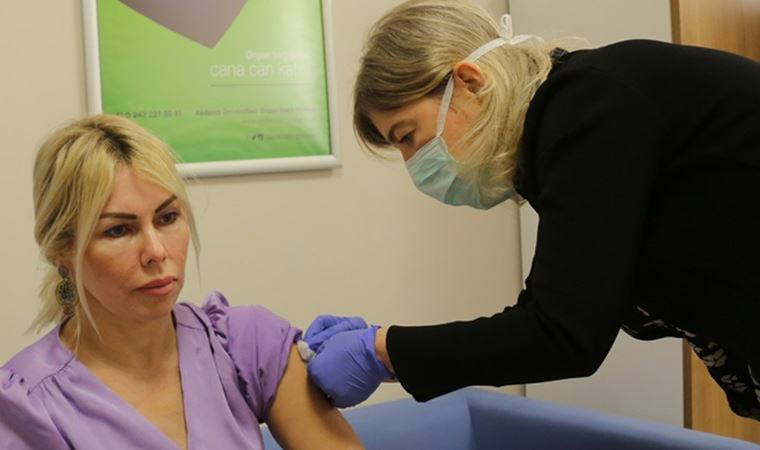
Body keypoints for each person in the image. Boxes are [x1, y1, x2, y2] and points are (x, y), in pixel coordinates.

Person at [302, 0, 760, 421]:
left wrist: (384, 350)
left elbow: (562, 333)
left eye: (408, 136)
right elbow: (565, 305)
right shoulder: (569, 126)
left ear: (469, 82)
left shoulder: (591, 107)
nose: (414, 164)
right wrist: (387, 348)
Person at [0, 115, 362, 449]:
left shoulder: (244, 345)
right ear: (61, 251)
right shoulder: (28, 406)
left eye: (168, 217)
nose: (156, 251)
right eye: (118, 230)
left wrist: (382, 350)